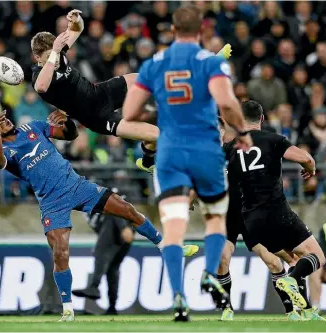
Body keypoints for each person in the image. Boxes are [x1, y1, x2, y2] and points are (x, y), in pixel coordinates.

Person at [0, 111, 198, 322]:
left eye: (3, 117)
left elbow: (70, 134)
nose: (4, 120)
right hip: (52, 202)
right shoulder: (4, 149)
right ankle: (68, 310)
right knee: (60, 252)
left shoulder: (33, 127)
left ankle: (163, 244)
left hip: (76, 186)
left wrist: (68, 122)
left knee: (127, 209)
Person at [122, 6, 252, 322]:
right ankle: (209, 272)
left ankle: (179, 295)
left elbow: (129, 111)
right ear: (201, 30)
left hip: (170, 153)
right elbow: (226, 103)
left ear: (172, 29)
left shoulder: (155, 63)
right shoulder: (210, 62)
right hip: (205, 150)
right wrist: (244, 132)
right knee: (216, 218)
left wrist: (163, 112)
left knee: (174, 227)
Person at [224, 100, 326, 320]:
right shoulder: (273, 140)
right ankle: (290, 280)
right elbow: (305, 158)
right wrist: (310, 168)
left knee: (293, 258)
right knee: (317, 256)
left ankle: (307, 311)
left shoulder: (230, 147)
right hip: (277, 212)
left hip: (252, 222)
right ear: (262, 118)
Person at [31, 9, 158, 173]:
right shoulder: (38, 75)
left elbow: (77, 29)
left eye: (53, 54)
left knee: (144, 78)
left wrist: (76, 20)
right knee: (155, 135)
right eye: (48, 56)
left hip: (102, 92)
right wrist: (54, 52)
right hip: (97, 116)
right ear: (37, 57)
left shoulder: (58, 52)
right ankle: (148, 162)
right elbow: (41, 87)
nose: (53, 60)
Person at [217, 116, 301, 321]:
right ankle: (226, 308)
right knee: (222, 257)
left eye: (219, 129)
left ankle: (291, 310)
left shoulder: (238, 150)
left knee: (272, 261)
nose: (216, 133)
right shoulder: (216, 156)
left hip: (249, 213)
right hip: (227, 215)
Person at [73, 189, 134, 315]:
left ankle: (94, 287)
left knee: (101, 251)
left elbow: (117, 203)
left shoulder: (95, 195)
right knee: (112, 270)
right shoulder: (87, 210)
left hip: (120, 228)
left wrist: (123, 227)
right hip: (120, 236)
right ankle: (112, 307)